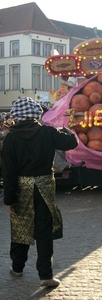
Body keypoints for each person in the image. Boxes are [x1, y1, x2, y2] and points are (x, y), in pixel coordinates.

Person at [2, 97, 78, 287]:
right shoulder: (47, 132)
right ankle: (46, 275)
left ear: (16, 116)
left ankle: (17, 268)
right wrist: (64, 129)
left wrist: (9, 200)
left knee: (20, 227)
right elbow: (71, 142)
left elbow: (9, 172)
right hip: (44, 186)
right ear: (37, 113)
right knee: (44, 229)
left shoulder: (11, 138)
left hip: (21, 188)